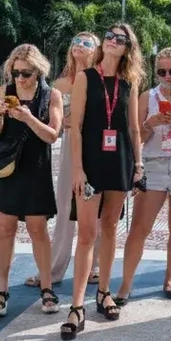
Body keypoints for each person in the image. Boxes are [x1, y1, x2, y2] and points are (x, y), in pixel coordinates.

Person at [62, 24, 145, 339]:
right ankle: (77, 305)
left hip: (120, 160)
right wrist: (77, 169)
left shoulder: (129, 82)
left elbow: (134, 128)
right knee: (85, 234)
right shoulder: (86, 78)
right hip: (92, 163)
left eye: (120, 39)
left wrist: (138, 165)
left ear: (127, 48)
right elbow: (77, 127)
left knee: (110, 227)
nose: (112, 41)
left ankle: (104, 292)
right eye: (109, 36)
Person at [115, 48, 171, 303]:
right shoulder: (147, 96)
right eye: (162, 71)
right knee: (139, 227)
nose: (167, 76)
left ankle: (170, 278)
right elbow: (137, 139)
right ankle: (126, 285)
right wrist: (149, 124)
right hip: (153, 163)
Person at [0, 44, 65, 317]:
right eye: (15, 73)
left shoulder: (51, 95)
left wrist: (28, 118)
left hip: (35, 168)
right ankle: (1, 289)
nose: (19, 78)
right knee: (4, 228)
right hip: (7, 168)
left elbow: (53, 135)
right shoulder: (4, 92)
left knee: (37, 229)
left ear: (38, 70)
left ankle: (47, 287)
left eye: (26, 73)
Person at [25, 33, 102, 289]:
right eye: (76, 41)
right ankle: (54, 270)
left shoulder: (101, 80)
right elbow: (53, 124)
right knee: (65, 208)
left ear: (96, 50)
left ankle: (95, 267)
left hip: (99, 147)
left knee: (99, 208)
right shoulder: (59, 84)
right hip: (71, 146)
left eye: (86, 43)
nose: (79, 45)